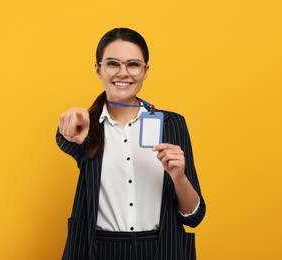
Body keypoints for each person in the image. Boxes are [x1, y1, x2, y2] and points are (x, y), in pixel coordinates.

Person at [56, 27, 206, 260]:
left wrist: (179, 176)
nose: (123, 73)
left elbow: (194, 217)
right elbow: (64, 138)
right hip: (99, 250)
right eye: (113, 63)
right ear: (98, 69)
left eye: (133, 64)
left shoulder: (171, 124)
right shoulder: (86, 127)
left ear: (145, 71)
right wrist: (70, 121)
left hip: (162, 249)